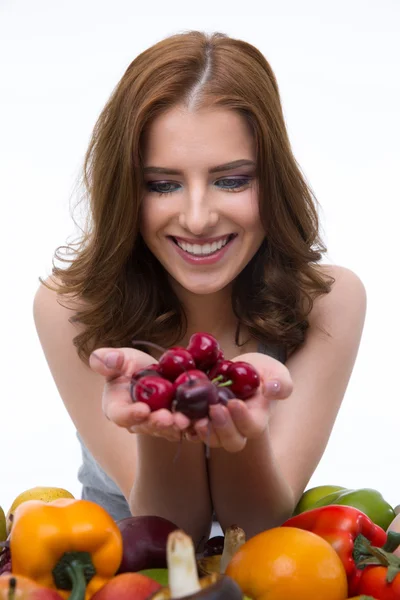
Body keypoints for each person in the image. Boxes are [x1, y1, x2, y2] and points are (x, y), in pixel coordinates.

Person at [33, 30, 366, 547]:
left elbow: (254, 528)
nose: (197, 218)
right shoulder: (69, 307)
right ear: (126, 189)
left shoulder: (328, 302)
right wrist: (162, 425)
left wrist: (241, 433)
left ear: (273, 178)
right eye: (162, 185)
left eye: (231, 180)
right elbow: (168, 532)